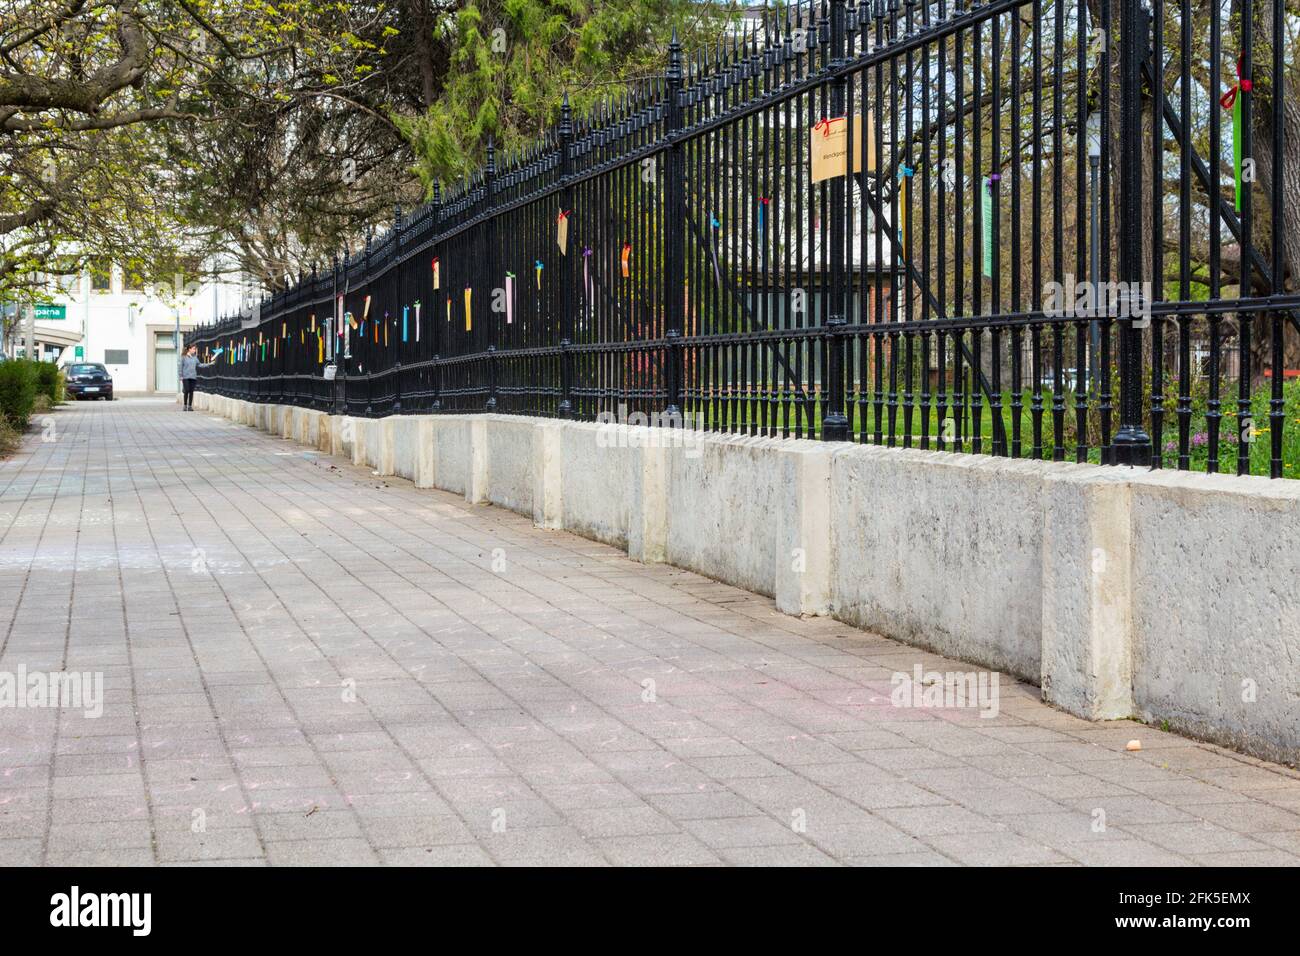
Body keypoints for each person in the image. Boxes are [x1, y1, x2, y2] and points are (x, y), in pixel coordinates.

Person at [178, 344, 214, 411]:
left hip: (193, 377)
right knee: (187, 390)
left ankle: (190, 406)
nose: (194, 350)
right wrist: (180, 376)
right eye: (194, 349)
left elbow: (199, 364)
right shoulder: (183, 357)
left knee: (191, 391)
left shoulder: (195, 357)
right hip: (185, 377)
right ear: (189, 349)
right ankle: (185, 405)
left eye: (195, 349)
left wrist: (209, 364)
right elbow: (180, 367)